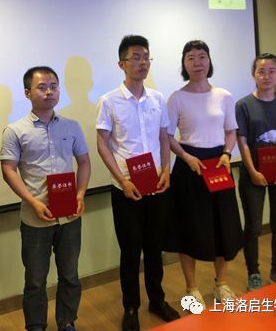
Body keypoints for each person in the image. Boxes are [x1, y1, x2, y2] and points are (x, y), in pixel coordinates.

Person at [96, 35, 180, 331]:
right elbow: (102, 144)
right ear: (122, 64)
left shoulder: (157, 98)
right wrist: (122, 179)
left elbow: (164, 138)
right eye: (136, 57)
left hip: (156, 184)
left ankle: (157, 300)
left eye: (146, 57)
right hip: (127, 188)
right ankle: (130, 307)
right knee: (131, 250)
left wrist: (167, 170)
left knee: (155, 247)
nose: (143, 62)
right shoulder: (109, 101)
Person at [0, 66, 90, 331]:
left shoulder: (72, 126)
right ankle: (36, 325)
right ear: (28, 93)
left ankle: (67, 322)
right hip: (35, 218)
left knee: (70, 275)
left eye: (53, 86)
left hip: (69, 216)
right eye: (42, 87)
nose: (49, 92)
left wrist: (81, 193)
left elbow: (84, 162)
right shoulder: (15, 130)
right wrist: (33, 202)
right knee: (36, 281)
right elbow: (8, 169)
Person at [164, 40, 243, 307]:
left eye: (202, 56)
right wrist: (186, 157)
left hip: (218, 165)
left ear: (209, 61)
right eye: (191, 58)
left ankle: (221, 284)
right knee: (189, 228)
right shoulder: (177, 98)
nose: (197, 62)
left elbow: (231, 131)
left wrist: (227, 154)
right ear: (184, 64)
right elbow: (167, 136)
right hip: (189, 167)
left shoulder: (224, 96)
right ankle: (191, 288)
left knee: (223, 226)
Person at [235, 53, 276, 291]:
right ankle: (253, 272)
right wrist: (252, 171)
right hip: (253, 175)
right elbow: (242, 142)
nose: (266, 76)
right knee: (253, 226)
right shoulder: (243, 105)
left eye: (271, 71)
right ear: (254, 75)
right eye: (261, 71)